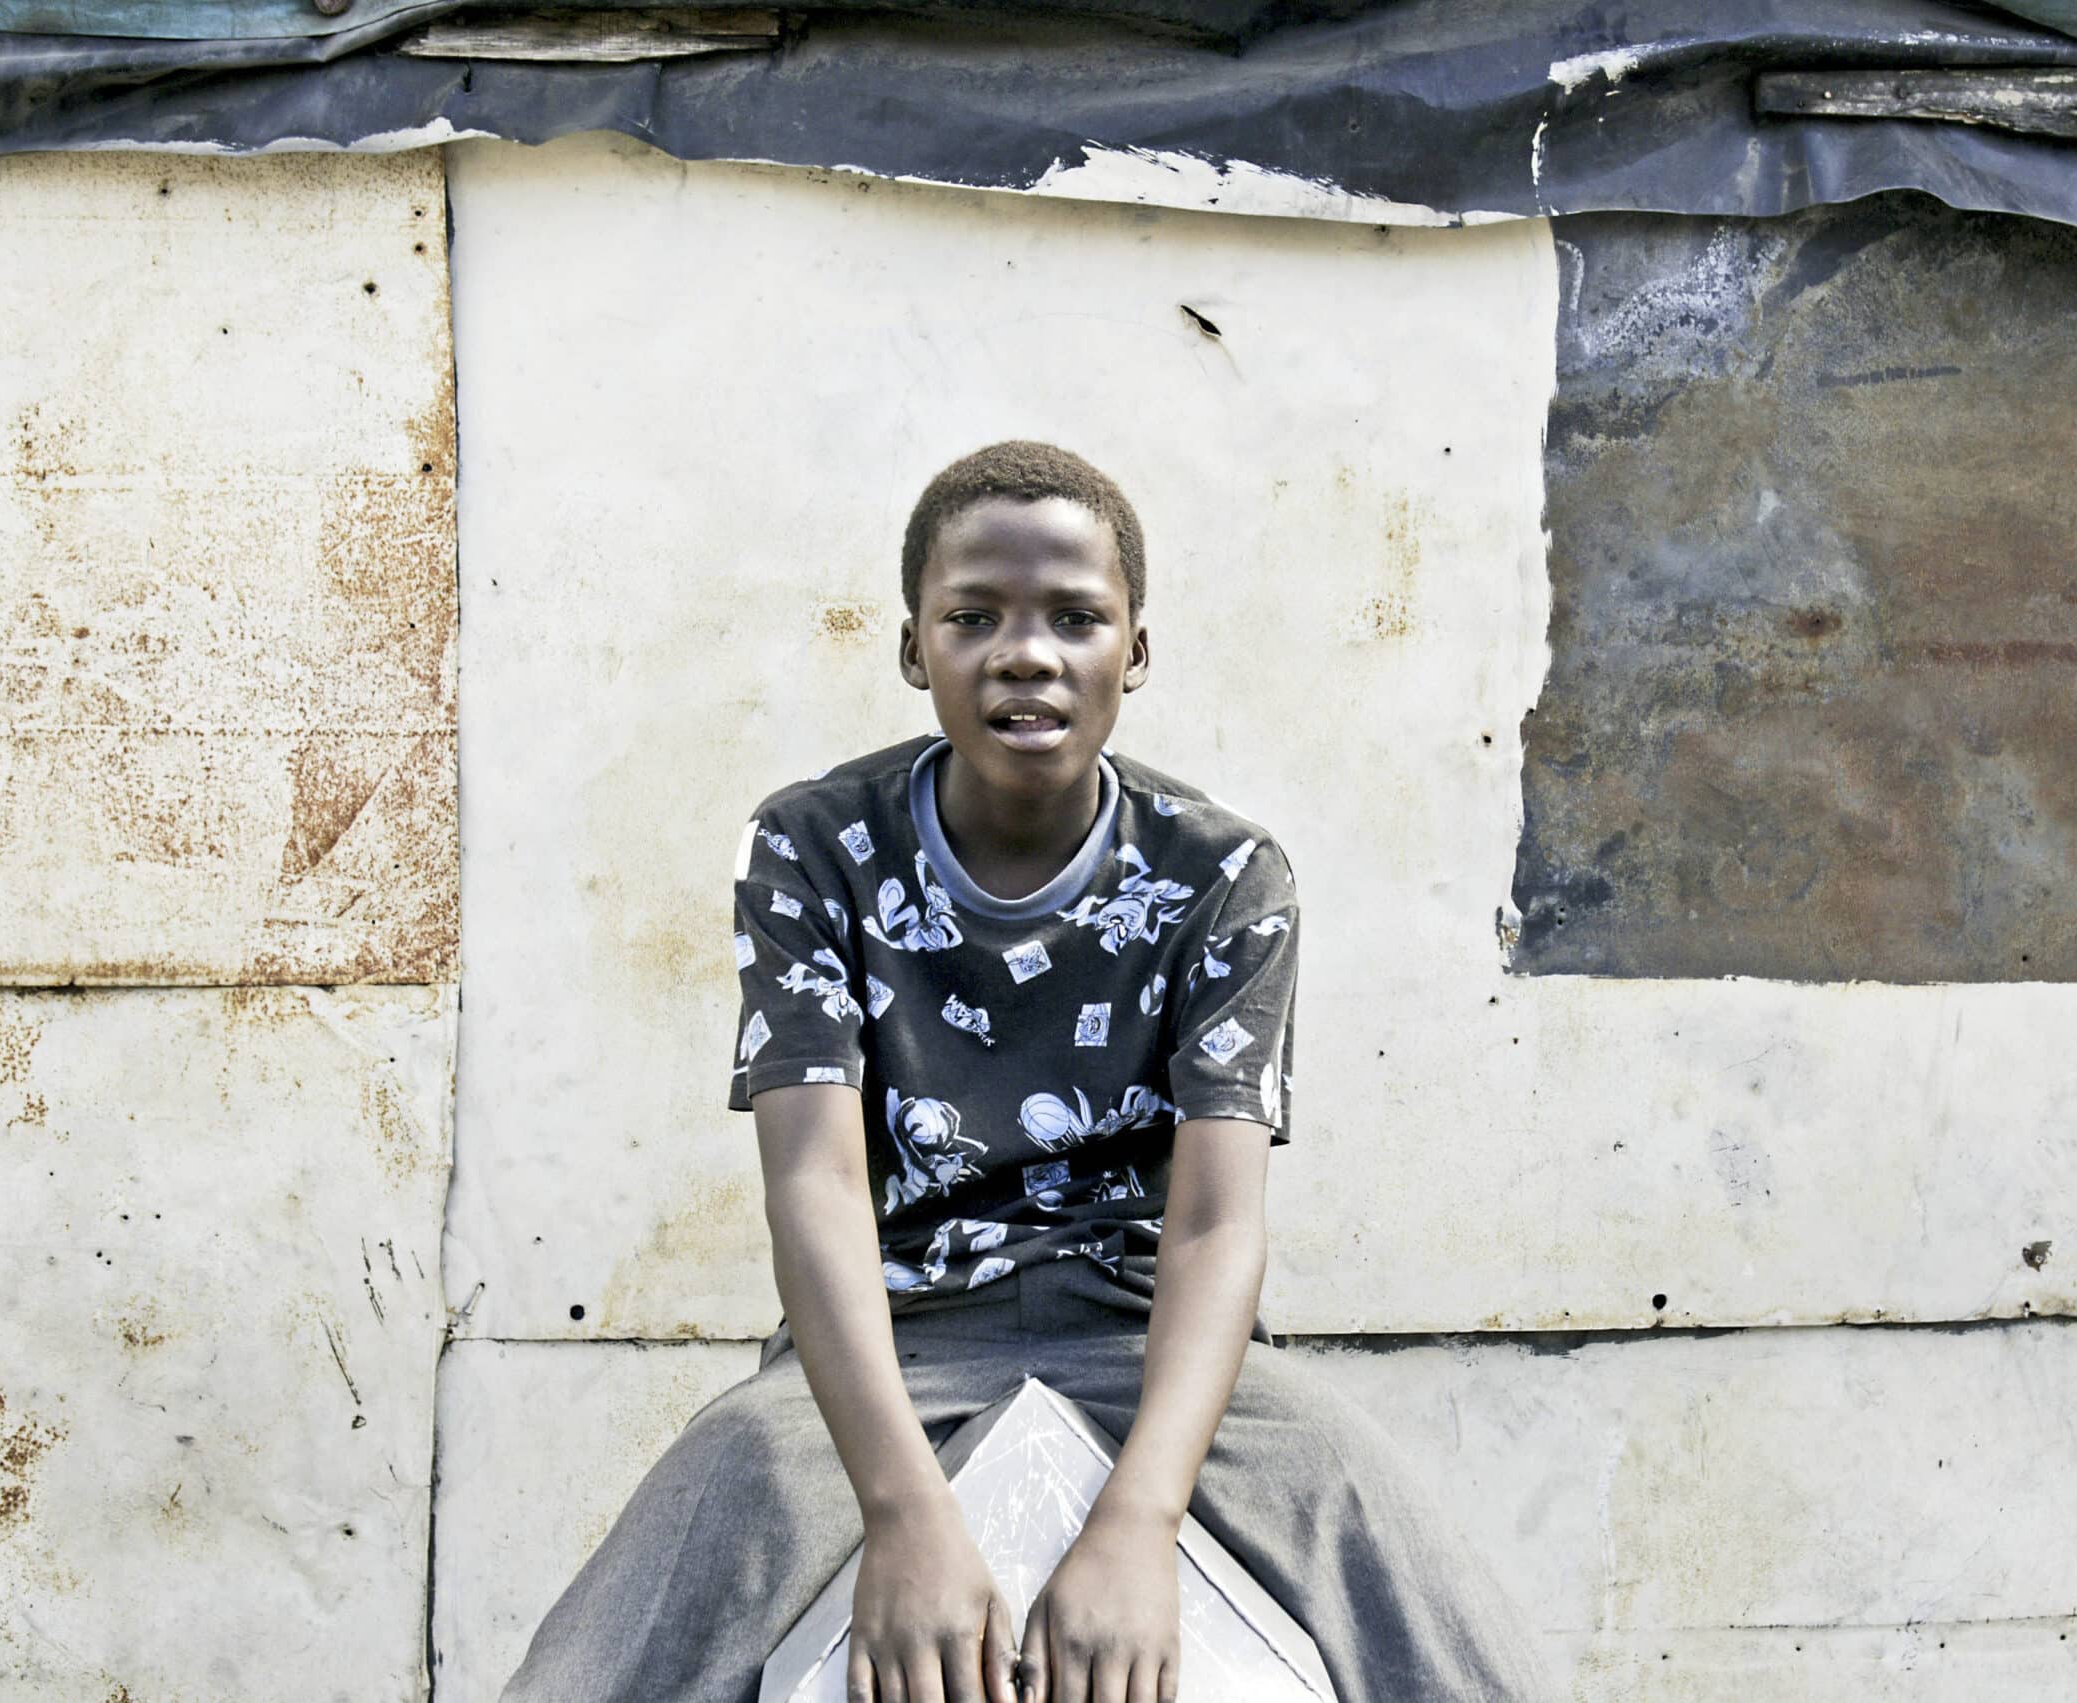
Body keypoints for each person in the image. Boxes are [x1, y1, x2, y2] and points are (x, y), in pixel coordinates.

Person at [501, 441, 1555, 1703]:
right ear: (912, 648)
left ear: (1135, 652)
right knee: (650, 1591)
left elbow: (1217, 1224)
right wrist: (901, 1512)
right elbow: (816, 1188)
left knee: (1413, 1589)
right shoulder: (811, 848)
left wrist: (1138, 1523)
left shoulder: (1224, 876)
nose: (1026, 651)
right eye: (973, 617)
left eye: (1075, 617)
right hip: (897, 1332)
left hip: (1140, 1334)